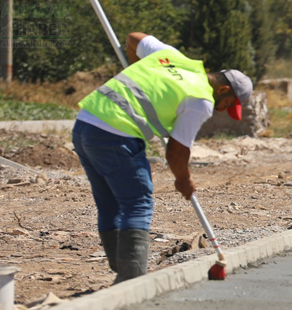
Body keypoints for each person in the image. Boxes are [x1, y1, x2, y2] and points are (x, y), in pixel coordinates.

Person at [72, 32, 252, 284]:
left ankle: (123, 271)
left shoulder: (171, 56)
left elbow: (134, 38)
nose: (224, 110)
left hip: (85, 125)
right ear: (223, 89)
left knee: (110, 202)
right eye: (228, 104)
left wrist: (141, 70)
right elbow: (177, 152)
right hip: (115, 135)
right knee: (138, 203)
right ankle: (132, 282)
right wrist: (184, 180)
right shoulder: (201, 100)